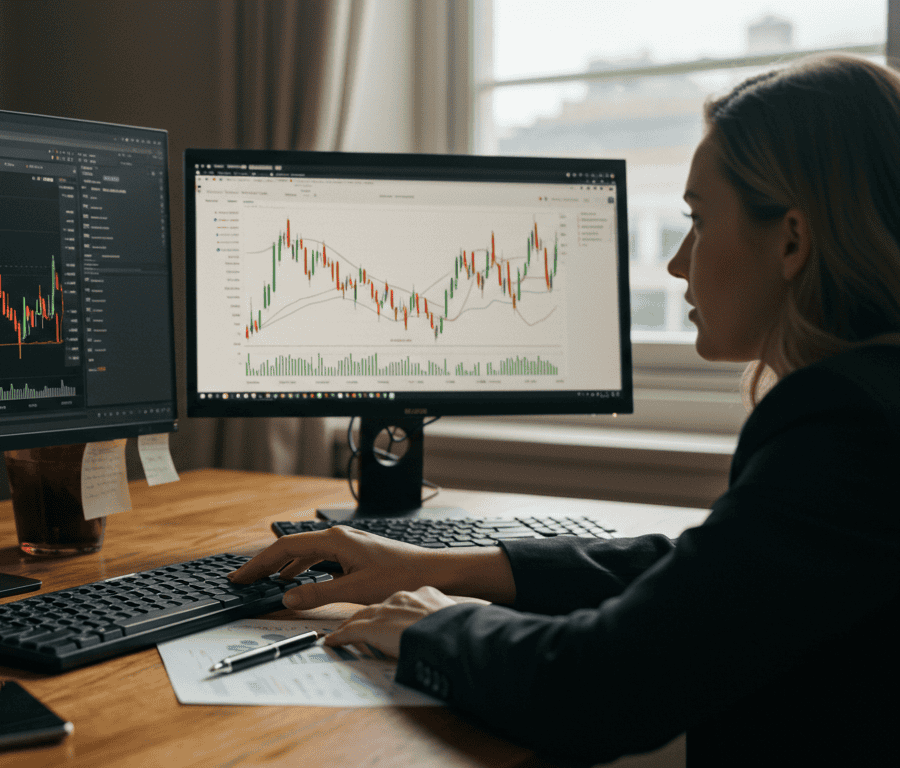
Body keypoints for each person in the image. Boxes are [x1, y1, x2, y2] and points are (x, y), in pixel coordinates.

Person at [231, 53, 900, 767]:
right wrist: (440, 566)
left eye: (698, 223)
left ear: (792, 239)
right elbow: (710, 576)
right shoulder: (872, 401)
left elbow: (603, 687)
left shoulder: (845, 428)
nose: (677, 263)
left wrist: (439, 625)